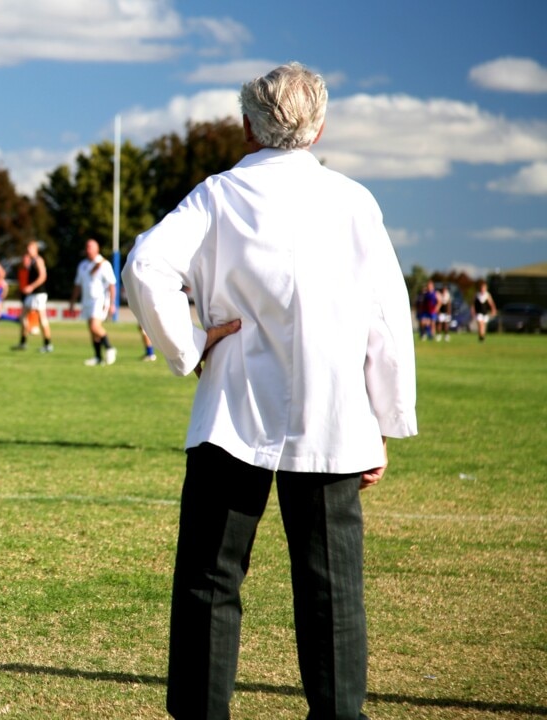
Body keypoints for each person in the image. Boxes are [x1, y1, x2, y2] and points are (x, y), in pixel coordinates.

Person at [122, 62, 417, 720]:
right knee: (332, 588)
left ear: (247, 126)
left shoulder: (217, 196)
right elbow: (387, 318)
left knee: (211, 578)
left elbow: (145, 265)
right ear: (318, 128)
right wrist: (386, 423)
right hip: (334, 417)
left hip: (233, 412)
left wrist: (186, 346)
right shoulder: (353, 201)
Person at [69, 239, 116, 366]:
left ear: (97, 249)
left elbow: (112, 284)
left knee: (95, 326)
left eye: (91, 247)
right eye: (87, 247)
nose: (88, 249)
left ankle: (110, 347)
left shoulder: (104, 264)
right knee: (91, 329)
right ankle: (98, 357)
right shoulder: (83, 265)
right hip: (86, 300)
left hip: (99, 300)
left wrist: (112, 303)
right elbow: (77, 285)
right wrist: (72, 302)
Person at [12, 241, 53, 352]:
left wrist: (31, 286)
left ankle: (48, 344)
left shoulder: (38, 260)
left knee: (42, 319)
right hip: (32, 295)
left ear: (36, 250)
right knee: (23, 317)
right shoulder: (30, 262)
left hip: (39, 294)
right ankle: (23, 342)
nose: (29, 250)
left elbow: (43, 276)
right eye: (28, 248)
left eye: (31, 248)